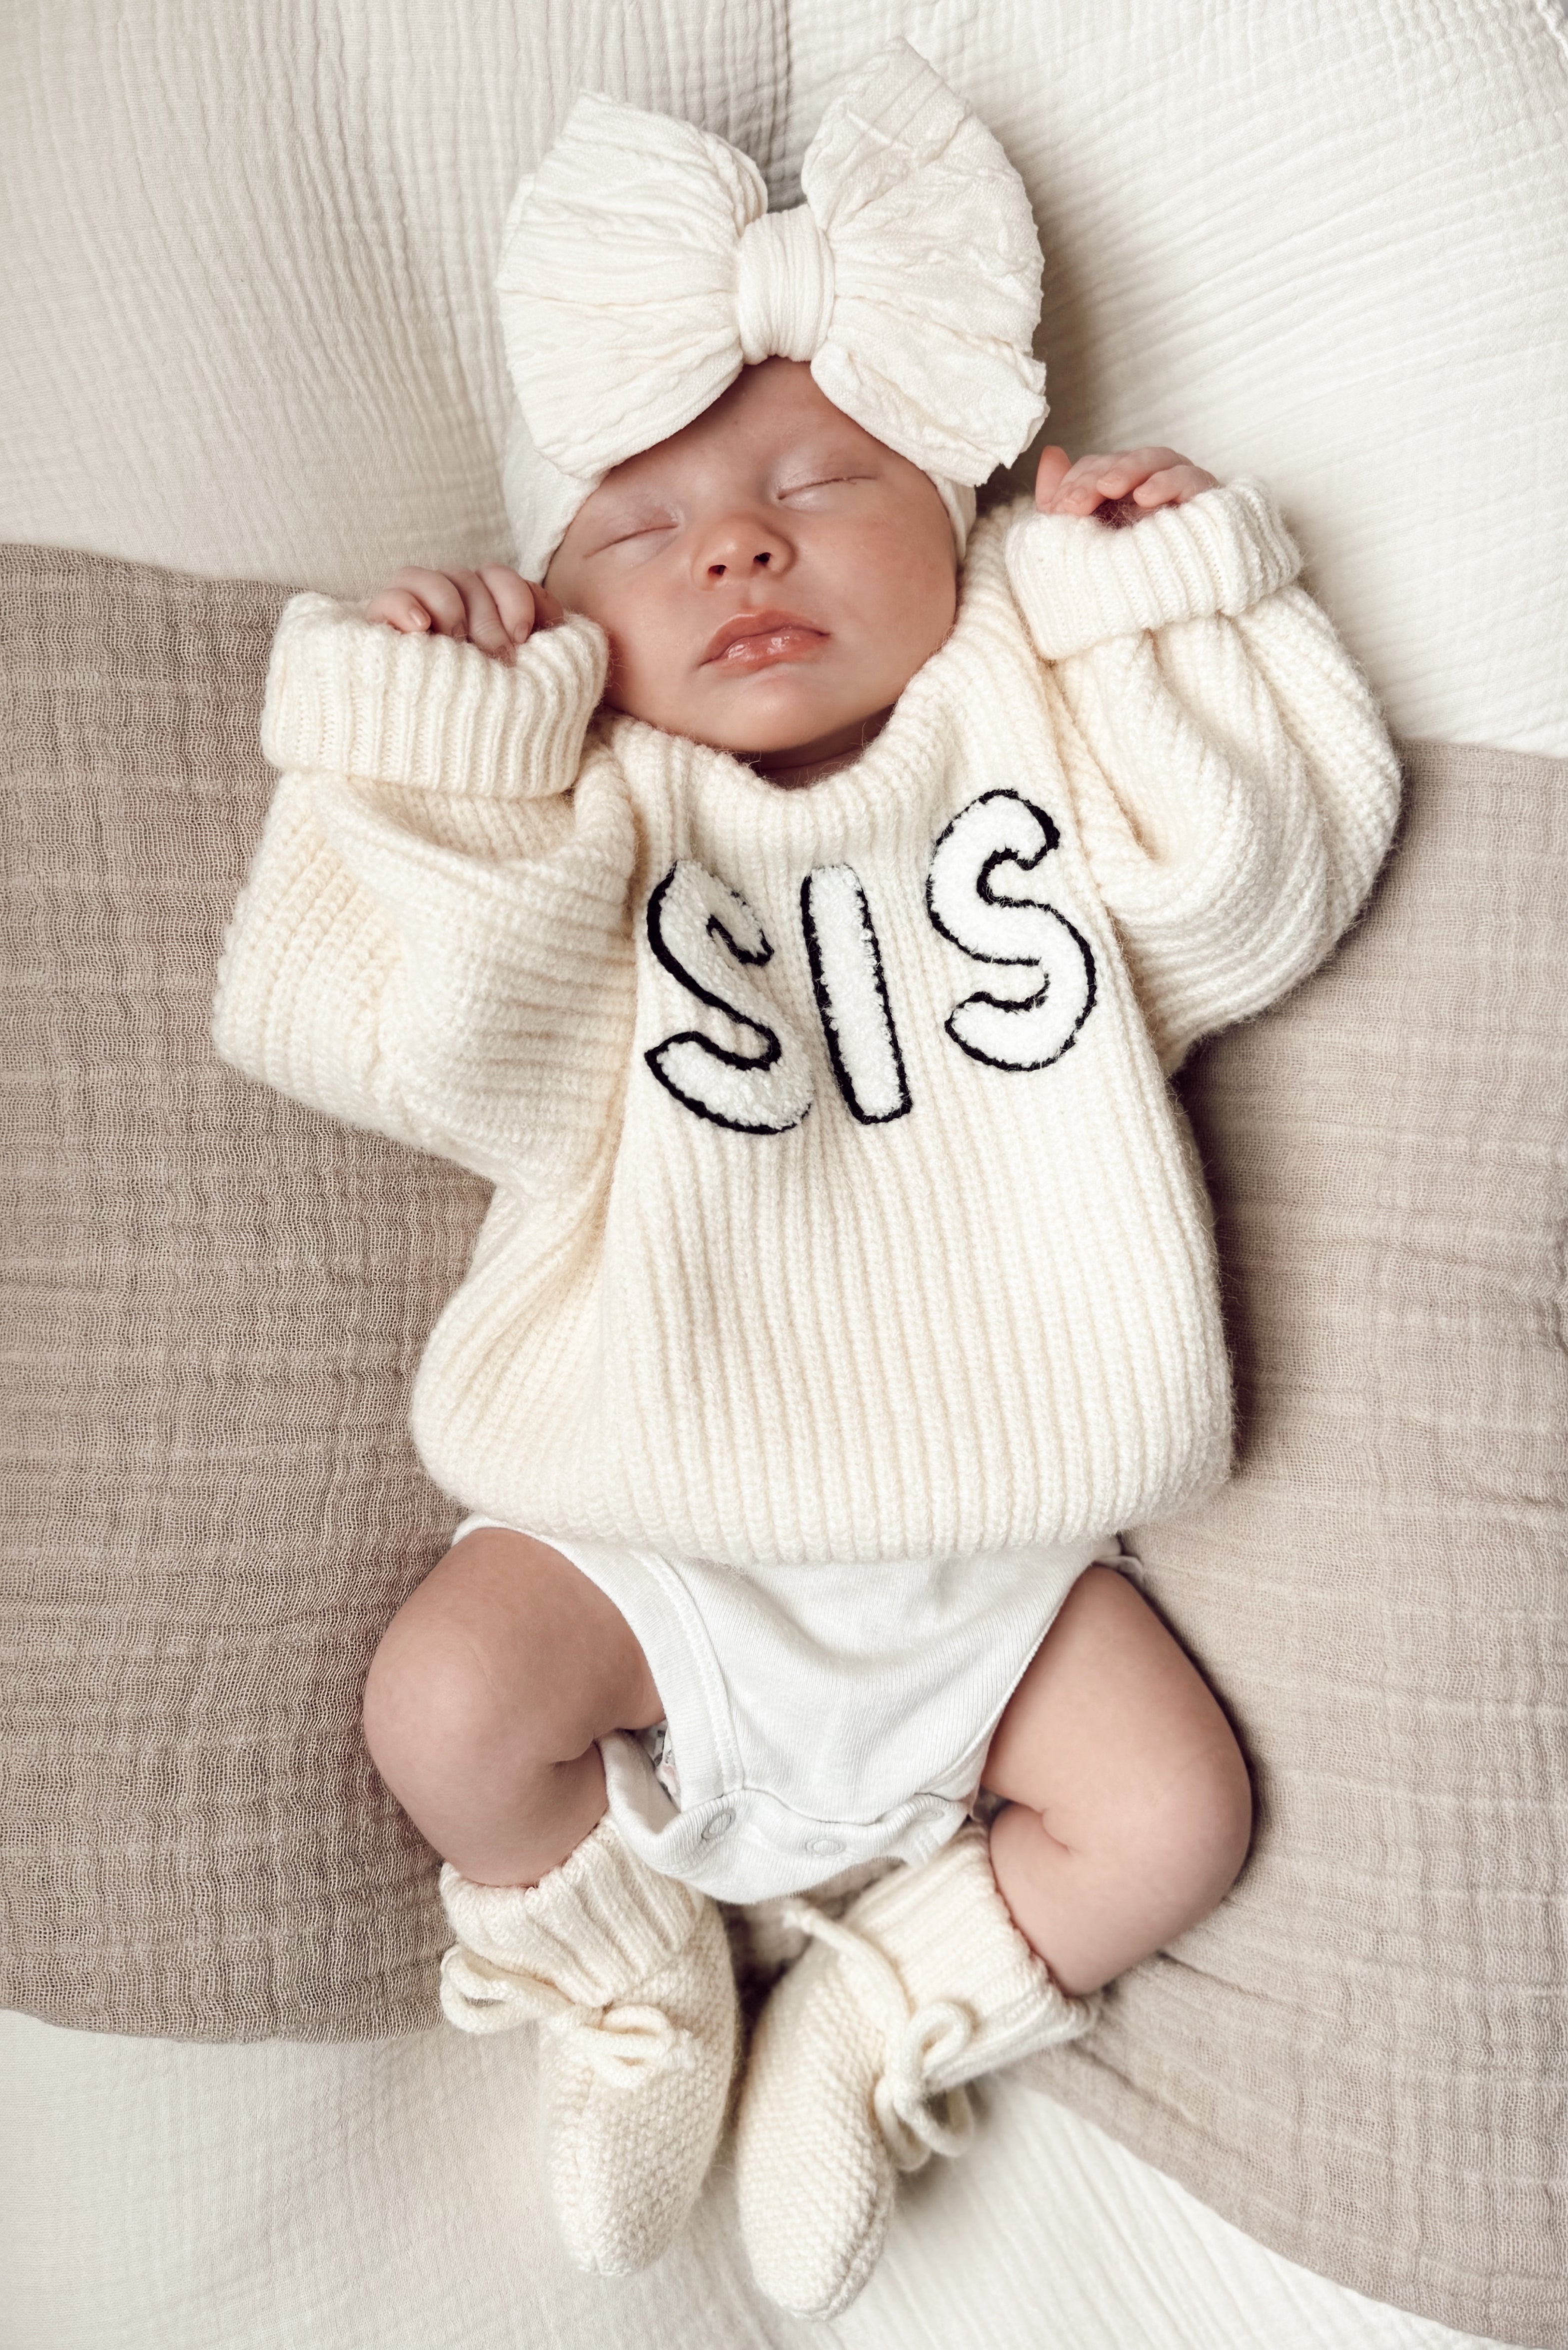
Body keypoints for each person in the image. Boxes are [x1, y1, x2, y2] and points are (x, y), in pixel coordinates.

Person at [212, 42, 1400, 2320]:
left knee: (1170, 1813)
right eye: (639, 530)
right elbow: (389, 1033)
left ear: (956, 523)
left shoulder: (1024, 740)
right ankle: (628, 1970)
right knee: (448, 1707)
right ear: (570, 608)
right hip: (645, 1515)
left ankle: (882, 2014)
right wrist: (449, 747)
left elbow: (1255, 890)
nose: (735, 545)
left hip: (1000, 1546)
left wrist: (1138, 604)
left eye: (821, 485)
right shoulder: (596, 812)